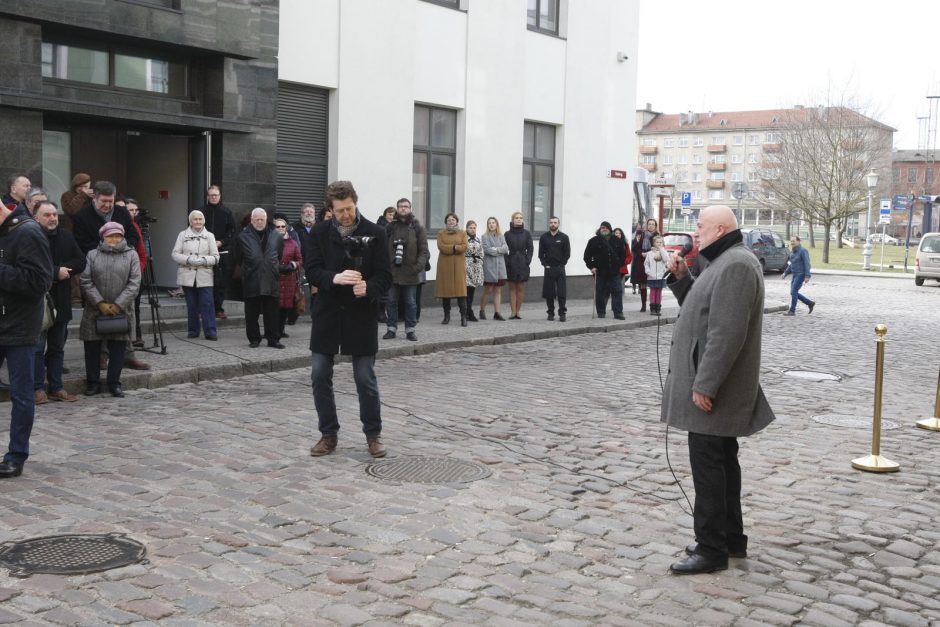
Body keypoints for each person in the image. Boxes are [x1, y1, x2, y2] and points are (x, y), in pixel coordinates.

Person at [662, 205, 776, 575]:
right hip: (713, 387)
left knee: (710, 469)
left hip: (716, 391)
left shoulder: (736, 264)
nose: (695, 233)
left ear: (721, 228)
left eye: (701, 227)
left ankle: (711, 548)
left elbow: (726, 334)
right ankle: (729, 539)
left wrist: (705, 384)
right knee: (722, 464)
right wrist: (682, 279)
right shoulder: (723, 261)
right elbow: (703, 311)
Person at [306, 180, 391, 458]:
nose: (346, 214)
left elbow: (385, 275)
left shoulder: (375, 232)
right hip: (328, 314)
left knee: (364, 377)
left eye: (350, 208)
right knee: (319, 374)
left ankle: (373, 435)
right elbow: (312, 270)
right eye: (340, 210)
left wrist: (369, 287)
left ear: (356, 202)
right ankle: (328, 434)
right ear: (330, 209)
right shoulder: (318, 233)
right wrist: (334, 278)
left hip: (361, 314)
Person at [0, 196, 54, 479]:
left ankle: (16, 456)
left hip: (20, 328)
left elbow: (39, 282)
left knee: (21, 395)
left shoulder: (28, 232)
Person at [79, 222, 141, 398]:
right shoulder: (92, 254)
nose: (114, 239)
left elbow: (134, 282)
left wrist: (118, 304)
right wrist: (99, 303)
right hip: (94, 309)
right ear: (103, 237)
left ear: (122, 237)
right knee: (92, 348)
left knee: (118, 349)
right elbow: (85, 280)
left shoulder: (131, 255)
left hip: (121, 310)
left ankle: (114, 383)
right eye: (110, 236)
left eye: (117, 236)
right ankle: (93, 383)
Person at [33, 201, 84, 403]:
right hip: (39, 301)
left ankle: (56, 386)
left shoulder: (66, 235)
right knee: (37, 348)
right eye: (47, 215)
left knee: (56, 347)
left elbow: (81, 260)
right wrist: (56, 272)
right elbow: (30, 265)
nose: (52, 218)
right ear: (36, 217)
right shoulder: (30, 236)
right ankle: (37, 388)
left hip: (61, 300)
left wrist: (64, 270)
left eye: (54, 214)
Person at [233, 208, 283, 349]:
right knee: (251, 313)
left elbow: (279, 254)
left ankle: (273, 339)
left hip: (271, 278)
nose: (259, 222)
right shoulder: (242, 236)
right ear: (252, 220)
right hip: (251, 278)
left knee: (272, 312)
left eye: (262, 219)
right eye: (256, 219)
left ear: (266, 220)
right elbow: (238, 258)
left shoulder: (276, 235)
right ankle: (254, 339)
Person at [383, 197, 428, 341]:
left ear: (410, 209)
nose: (403, 208)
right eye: (401, 206)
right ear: (397, 209)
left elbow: (424, 251)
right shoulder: (390, 227)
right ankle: (391, 329)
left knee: (410, 303)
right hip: (392, 272)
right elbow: (381, 248)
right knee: (391, 302)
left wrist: (418, 267)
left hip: (411, 272)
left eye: (406, 206)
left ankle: (410, 330)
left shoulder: (417, 228)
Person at [171, 210, 220, 340]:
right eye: (195, 219)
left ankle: (210, 331)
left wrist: (204, 260)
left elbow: (216, 257)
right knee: (191, 305)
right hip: (187, 275)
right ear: (190, 221)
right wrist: (188, 259)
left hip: (205, 275)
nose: (198, 221)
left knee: (207, 304)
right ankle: (193, 331)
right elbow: (175, 254)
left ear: (204, 221)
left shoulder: (210, 236)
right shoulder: (182, 235)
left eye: (200, 219)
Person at [197, 186, 236, 320]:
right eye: (211, 195)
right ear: (207, 196)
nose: (213, 197)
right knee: (204, 282)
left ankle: (218, 309)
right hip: (203, 252)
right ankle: (204, 310)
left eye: (216, 195)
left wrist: (222, 242)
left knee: (220, 283)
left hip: (222, 252)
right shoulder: (200, 212)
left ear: (220, 196)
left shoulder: (226, 212)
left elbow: (232, 231)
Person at [72, 181, 139, 255]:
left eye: (111, 201)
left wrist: (121, 246)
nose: (107, 205)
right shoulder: (81, 217)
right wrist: (106, 247)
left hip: (122, 258)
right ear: (94, 198)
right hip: (95, 262)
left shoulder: (123, 212)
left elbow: (134, 236)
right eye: (104, 201)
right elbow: (81, 244)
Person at [584, 221, 626, 319]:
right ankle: (601, 312)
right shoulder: (593, 241)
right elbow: (587, 257)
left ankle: (618, 313)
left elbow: (622, 255)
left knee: (617, 291)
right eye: (602, 228)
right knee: (601, 292)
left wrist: (618, 265)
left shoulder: (617, 240)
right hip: (600, 272)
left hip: (614, 272)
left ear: (610, 229)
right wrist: (592, 267)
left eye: (606, 228)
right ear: (600, 229)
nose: (604, 229)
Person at [436, 212, 468, 326]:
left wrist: (454, 248)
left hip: (459, 265)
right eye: (449, 220)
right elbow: (441, 246)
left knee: (461, 293)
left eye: (453, 220)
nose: (451, 222)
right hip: (445, 265)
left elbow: (465, 246)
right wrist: (455, 247)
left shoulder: (463, 233)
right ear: (446, 222)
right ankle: (446, 316)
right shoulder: (441, 233)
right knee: (446, 292)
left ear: (457, 221)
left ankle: (463, 317)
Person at [274, 217, 303, 338]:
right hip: (274, 278)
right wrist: (277, 266)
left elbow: (300, 260)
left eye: (283, 226)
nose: (281, 228)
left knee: (285, 306)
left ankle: (281, 330)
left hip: (289, 279)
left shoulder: (293, 243)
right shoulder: (270, 241)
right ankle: (272, 331)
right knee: (273, 308)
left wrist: (293, 265)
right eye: (278, 226)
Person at [125, 199, 149, 347]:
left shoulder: (136, 226)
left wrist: (138, 269)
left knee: (136, 306)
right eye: (130, 210)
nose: (134, 213)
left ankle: (137, 335)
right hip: (122, 274)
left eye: (136, 210)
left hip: (136, 273)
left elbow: (142, 253)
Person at [538, 215, 570, 321]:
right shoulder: (544, 237)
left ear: (558, 224)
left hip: (560, 268)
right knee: (549, 292)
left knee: (561, 292)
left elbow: (567, 253)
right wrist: (545, 264)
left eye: (555, 222)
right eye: (551, 222)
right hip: (549, 268)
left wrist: (562, 264)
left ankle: (562, 313)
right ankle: (550, 313)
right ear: (549, 223)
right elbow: (540, 254)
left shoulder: (564, 237)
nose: (553, 224)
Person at [504, 211, 533, 319]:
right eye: (516, 218)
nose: (519, 219)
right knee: (512, 288)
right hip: (511, 262)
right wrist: (507, 261)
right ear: (512, 220)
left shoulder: (527, 233)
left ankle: (518, 311)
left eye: (520, 217)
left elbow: (530, 248)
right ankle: (513, 312)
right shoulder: (507, 234)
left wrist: (527, 260)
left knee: (520, 287)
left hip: (522, 262)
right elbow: (503, 249)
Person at [480, 217, 509, 320]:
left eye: (493, 223)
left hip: (500, 267)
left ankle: (497, 313)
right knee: (488, 289)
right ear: (487, 225)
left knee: (498, 290)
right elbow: (487, 250)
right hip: (490, 266)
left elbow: (506, 249)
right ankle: (482, 310)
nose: (491, 225)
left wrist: (495, 249)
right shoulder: (484, 236)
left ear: (497, 224)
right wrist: (498, 250)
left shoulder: (501, 236)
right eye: (489, 223)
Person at [631, 218, 660, 312]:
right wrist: (641, 253)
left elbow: (660, 249)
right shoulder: (641, 235)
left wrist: (649, 253)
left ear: (655, 226)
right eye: (649, 224)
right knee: (643, 285)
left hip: (654, 263)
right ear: (647, 225)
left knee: (654, 285)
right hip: (642, 262)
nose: (651, 226)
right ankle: (643, 305)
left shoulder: (658, 236)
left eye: (653, 224)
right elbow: (635, 247)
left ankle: (654, 305)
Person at [782, 236, 815, 315]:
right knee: (793, 292)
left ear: (799, 241)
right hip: (795, 274)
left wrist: (807, 276)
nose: (792, 242)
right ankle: (809, 303)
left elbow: (807, 264)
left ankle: (792, 311)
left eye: (793, 241)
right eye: (791, 241)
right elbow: (790, 264)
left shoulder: (803, 251)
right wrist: (785, 273)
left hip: (801, 274)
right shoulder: (792, 252)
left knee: (794, 291)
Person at [644, 234, 670, 316]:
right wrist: (648, 272)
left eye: (661, 242)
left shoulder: (664, 252)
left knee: (659, 293)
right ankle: (652, 309)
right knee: (653, 292)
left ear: (663, 243)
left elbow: (666, 259)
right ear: (654, 243)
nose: (659, 244)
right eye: (657, 242)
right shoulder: (650, 253)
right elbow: (646, 264)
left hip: (661, 276)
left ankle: (658, 308)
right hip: (651, 276)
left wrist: (662, 250)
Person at [464, 220, 484, 322]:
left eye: (474, 228)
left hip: (476, 267)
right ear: (467, 228)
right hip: (466, 266)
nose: (472, 229)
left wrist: (479, 261)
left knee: (472, 290)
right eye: (470, 228)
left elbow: (481, 252)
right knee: (466, 289)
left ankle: (469, 310)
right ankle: (468, 312)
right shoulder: (463, 239)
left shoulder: (478, 240)